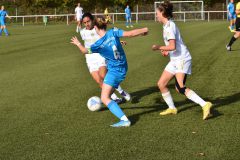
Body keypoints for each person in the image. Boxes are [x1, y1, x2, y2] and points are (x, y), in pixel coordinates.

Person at [71, 17, 148, 127]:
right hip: (123, 67)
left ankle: (124, 119)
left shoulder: (97, 45)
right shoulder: (114, 32)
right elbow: (130, 33)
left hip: (114, 71)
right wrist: (144, 30)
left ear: (96, 28)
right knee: (107, 92)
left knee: (104, 97)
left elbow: (84, 51)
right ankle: (119, 95)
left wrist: (78, 43)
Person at [152, 1, 212, 120]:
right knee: (161, 84)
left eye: (157, 13)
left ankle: (205, 104)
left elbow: (173, 46)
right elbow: (172, 46)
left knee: (180, 87)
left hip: (182, 59)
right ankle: (172, 108)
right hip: (175, 59)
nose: (156, 15)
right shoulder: (166, 26)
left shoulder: (169, 26)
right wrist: (166, 51)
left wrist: (159, 47)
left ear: (162, 13)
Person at [79, 12, 131, 103]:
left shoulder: (97, 28)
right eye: (85, 22)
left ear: (92, 20)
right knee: (99, 80)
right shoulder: (82, 32)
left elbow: (108, 36)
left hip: (101, 54)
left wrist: (119, 41)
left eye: (88, 21)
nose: (87, 24)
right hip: (90, 58)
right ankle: (115, 98)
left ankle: (121, 91)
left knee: (104, 75)